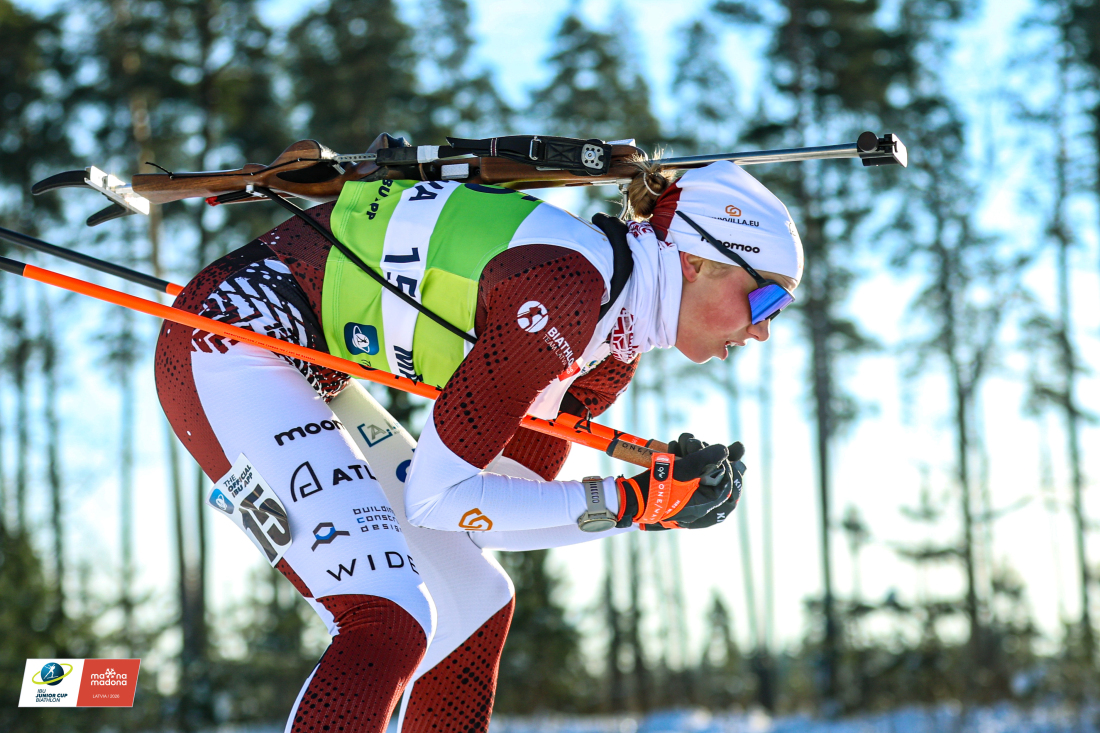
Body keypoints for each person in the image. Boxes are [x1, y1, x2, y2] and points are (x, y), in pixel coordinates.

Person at [154, 138, 803, 733]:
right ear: (697, 261)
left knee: (474, 603)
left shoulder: (613, 347)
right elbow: (440, 496)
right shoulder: (568, 290)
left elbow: (488, 513)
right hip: (229, 336)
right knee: (388, 616)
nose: (763, 329)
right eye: (765, 300)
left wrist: (650, 506)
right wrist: (633, 502)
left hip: (312, 366)